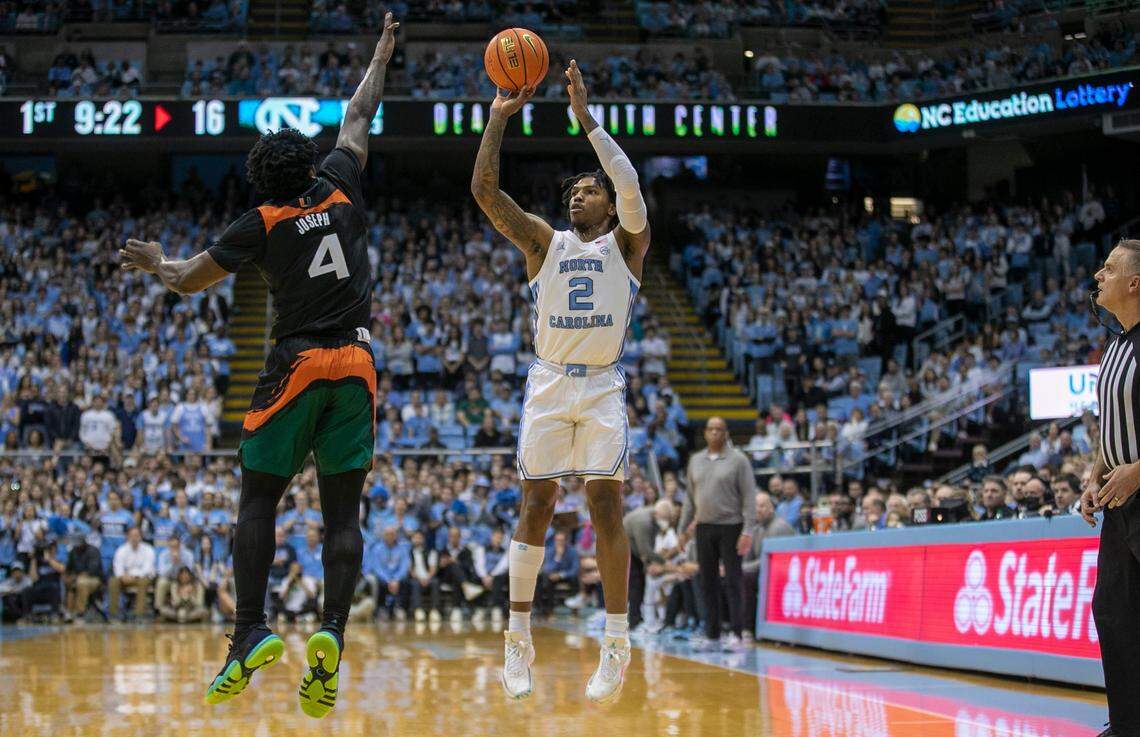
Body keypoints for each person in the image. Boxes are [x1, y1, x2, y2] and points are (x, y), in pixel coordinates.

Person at [119, 15, 399, 718]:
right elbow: (360, 111)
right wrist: (382, 54)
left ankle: (249, 629)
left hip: (298, 362)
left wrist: (158, 262)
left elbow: (187, 279)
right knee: (343, 514)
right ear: (307, 163)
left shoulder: (262, 221)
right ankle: (332, 631)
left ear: (261, 182)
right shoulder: (338, 181)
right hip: (359, 363)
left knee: (258, 500)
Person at [471, 58, 651, 703]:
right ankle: (517, 640)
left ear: (608, 205)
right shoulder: (545, 245)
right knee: (537, 504)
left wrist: (587, 121)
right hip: (549, 382)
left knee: (606, 504)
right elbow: (486, 192)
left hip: (601, 385)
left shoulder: (627, 246)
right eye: (572, 189)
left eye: (589, 189)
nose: (578, 194)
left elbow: (630, 184)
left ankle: (616, 641)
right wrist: (496, 120)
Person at [1080, 239, 1140, 737]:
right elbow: (1113, 422)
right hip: (1120, 502)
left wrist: (1138, 469)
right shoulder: (1116, 343)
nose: (1098, 275)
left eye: (1109, 268)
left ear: (1135, 283)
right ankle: (1126, 724)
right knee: (1114, 614)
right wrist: (1095, 471)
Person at [680, 417, 757, 649]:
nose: (714, 433)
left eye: (719, 429)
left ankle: (736, 632)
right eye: (710, 429)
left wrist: (748, 530)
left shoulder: (739, 460)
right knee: (707, 581)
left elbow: (749, 497)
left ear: (726, 433)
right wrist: (682, 529)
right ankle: (712, 633)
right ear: (704, 433)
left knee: (733, 580)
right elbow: (689, 499)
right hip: (704, 527)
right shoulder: (695, 460)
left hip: (731, 526)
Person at [741, 492, 794, 638]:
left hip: (781, 575)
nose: (757, 509)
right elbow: (747, 557)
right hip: (763, 571)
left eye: (762, 506)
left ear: (771, 508)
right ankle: (727, 624)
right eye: (755, 506)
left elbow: (769, 560)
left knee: (746, 577)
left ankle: (748, 628)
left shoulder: (779, 527)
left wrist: (742, 569)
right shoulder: (756, 528)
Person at [109, 527, 156, 621]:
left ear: (141, 537)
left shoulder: (148, 550)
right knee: (113, 581)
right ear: (127, 537)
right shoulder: (121, 550)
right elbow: (117, 567)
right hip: (125, 578)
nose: (134, 538)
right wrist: (122, 576)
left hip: (142, 578)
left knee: (143, 582)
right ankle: (114, 614)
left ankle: (138, 615)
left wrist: (132, 576)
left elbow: (147, 569)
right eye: (132, 536)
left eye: (137, 536)